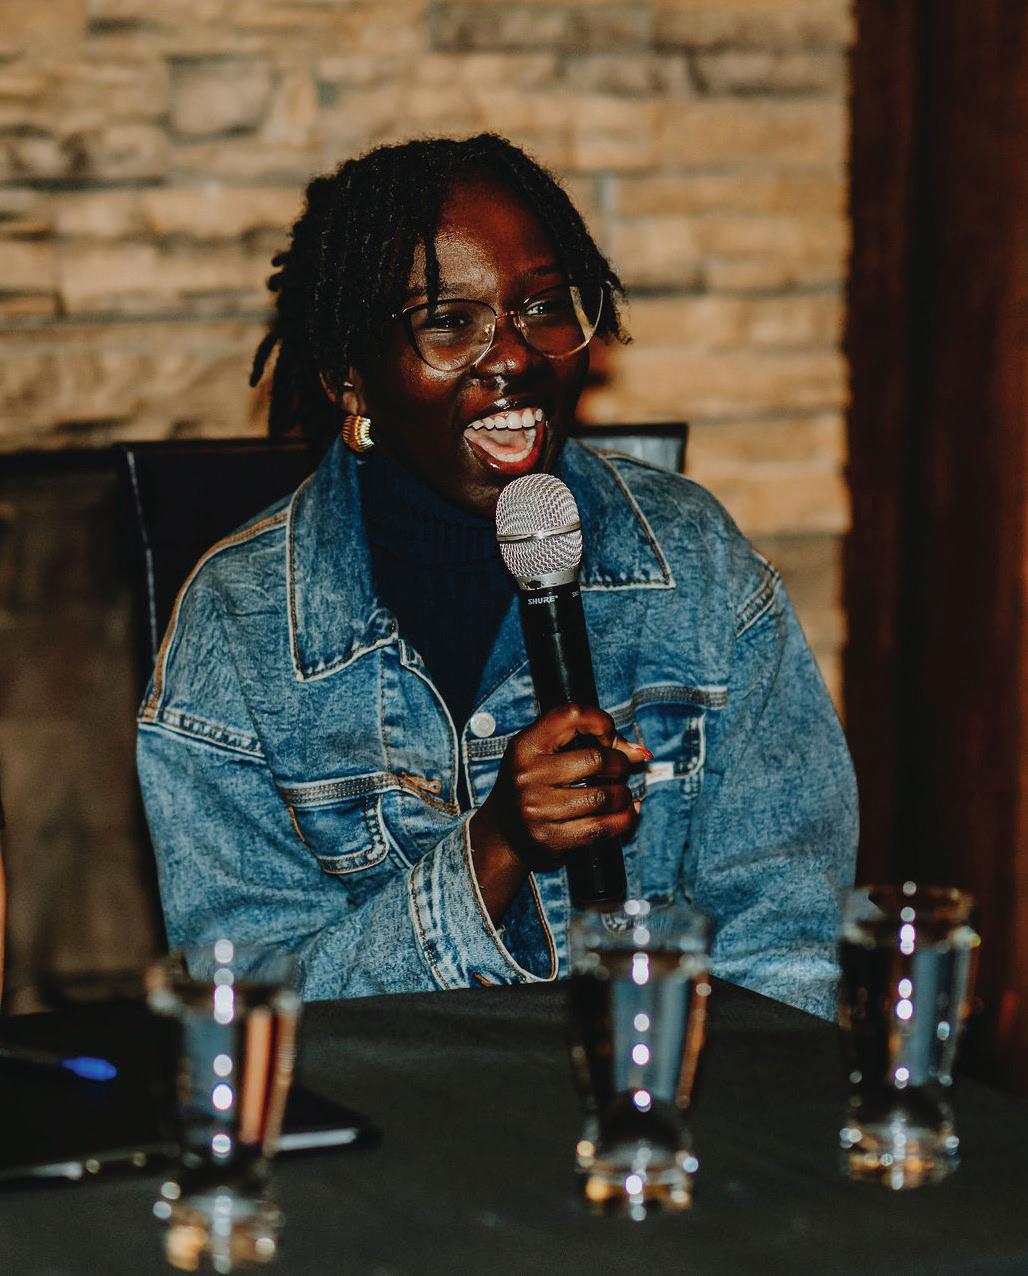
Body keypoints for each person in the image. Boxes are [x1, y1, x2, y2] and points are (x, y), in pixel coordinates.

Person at [137, 134, 857, 1019]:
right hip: (382, 1110)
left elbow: (789, 946)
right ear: (350, 380)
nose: (514, 355)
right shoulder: (239, 622)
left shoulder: (696, 562)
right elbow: (249, 1008)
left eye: (544, 307)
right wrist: (496, 846)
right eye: (448, 322)